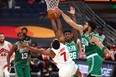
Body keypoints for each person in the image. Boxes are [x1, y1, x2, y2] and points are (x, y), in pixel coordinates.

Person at [58, 8, 115, 77]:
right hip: (90, 59)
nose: (84, 25)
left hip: (94, 58)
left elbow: (102, 47)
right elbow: (70, 22)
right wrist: (62, 13)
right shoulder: (82, 30)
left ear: (89, 27)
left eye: (86, 24)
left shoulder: (93, 37)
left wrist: (109, 53)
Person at [51, 6, 82, 77]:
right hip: (66, 67)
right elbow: (59, 30)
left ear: (71, 35)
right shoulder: (63, 44)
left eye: (69, 34)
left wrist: (73, 15)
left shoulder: (74, 41)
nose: (67, 35)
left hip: (74, 66)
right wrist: (57, 18)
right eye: (66, 34)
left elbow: (75, 27)